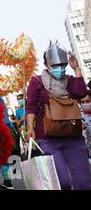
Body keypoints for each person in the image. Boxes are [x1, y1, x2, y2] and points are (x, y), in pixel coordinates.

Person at [25, 42, 91, 190]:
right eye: (54, 65)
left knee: (83, 182)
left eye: (62, 64)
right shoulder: (36, 81)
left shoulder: (70, 80)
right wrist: (30, 128)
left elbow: (81, 93)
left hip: (73, 136)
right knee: (62, 182)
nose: (59, 68)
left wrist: (77, 69)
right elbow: (31, 107)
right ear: (46, 64)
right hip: (47, 138)